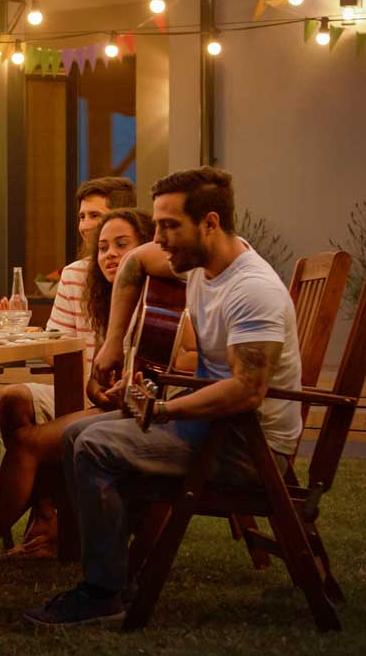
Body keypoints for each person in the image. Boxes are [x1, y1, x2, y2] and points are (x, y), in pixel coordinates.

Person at [25, 167, 302, 627]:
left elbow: (247, 390)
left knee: (94, 447)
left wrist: (164, 409)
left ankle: (101, 593)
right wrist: (113, 343)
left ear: (210, 223)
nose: (159, 239)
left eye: (169, 226)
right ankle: (115, 573)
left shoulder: (252, 290)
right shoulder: (195, 262)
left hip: (246, 448)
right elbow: (134, 263)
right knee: (75, 434)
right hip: (209, 428)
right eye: (156, 226)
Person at [0, 208, 155, 549]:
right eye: (103, 247)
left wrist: (113, 391)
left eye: (121, 245)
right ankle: (47, 522)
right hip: (113, 405)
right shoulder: (101, 294)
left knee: (28, 444)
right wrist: (98, 388)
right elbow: (92, 375)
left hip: (147, 413)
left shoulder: (158, 299)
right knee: (13, 403)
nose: (110, 254)